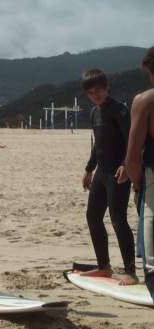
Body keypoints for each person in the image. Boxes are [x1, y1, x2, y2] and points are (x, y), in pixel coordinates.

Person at [80, 68, 138, 285]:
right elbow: (98, 145)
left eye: (98, 91)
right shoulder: (94, 112)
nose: (95, 96)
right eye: (90, 94)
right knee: (93, 217)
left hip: (118, 173)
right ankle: (104, 266)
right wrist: (88, 169)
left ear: (107, 88)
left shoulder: (119, 110)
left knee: (118, 219)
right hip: (101, 173)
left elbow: (131, 141)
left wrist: (126, 165)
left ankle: (130, 271)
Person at [125, 46, 154, 299]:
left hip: (153, 182)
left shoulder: (145, 101)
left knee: (152, 262)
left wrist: (137, 188)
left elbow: (132, 157)